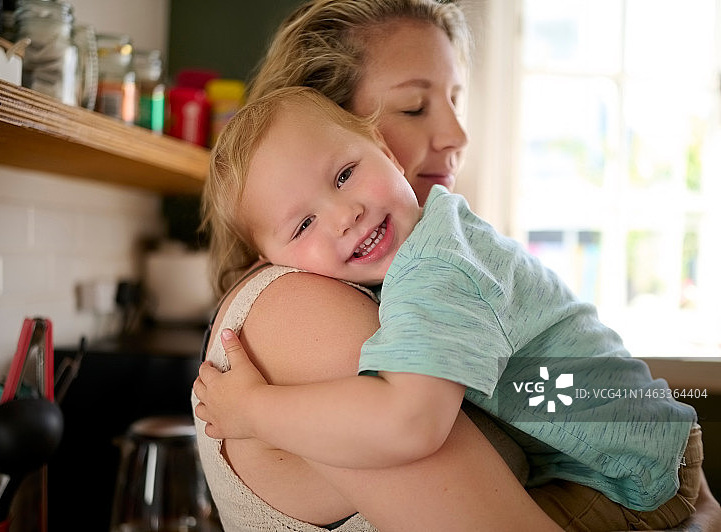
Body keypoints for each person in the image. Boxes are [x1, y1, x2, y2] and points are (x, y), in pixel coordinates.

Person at [191, 0, 721, 530]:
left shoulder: (438, 265)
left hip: (625, 477)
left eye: (454, 99)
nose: (458, 136)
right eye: (414, 108)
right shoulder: (303, 306)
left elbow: (410, 421)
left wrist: (253, 409)